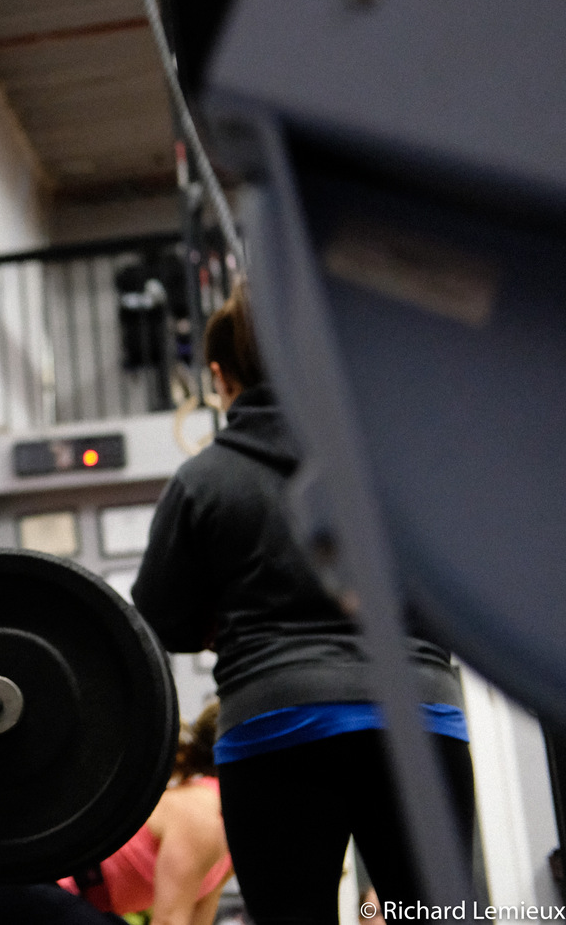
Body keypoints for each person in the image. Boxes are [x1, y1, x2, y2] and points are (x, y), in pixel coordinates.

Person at [130, 281, 477, 923]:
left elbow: (157, 620)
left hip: (275, 716)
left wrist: (224, 616)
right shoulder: (400, 461)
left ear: (219, 377)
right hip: (416, 710)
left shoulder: (204, 480)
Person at [0, 701, 233, 925]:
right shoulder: (204, 816)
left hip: (68, 900)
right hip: (24, 885)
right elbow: (168, 921)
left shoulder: (234, 836)